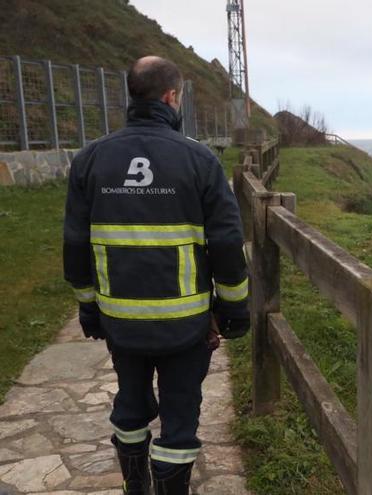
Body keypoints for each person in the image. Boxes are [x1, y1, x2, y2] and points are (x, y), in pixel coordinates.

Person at [63, 56, 250, 495]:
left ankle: (135, 487)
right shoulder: (200, 160)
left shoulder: (90, 160)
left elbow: (75, 245)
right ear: (171, 97)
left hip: (120, 320)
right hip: (186, 324)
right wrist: (234, 308)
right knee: (180, 416)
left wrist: (88, 308)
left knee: (130, 405)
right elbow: (226, 243)